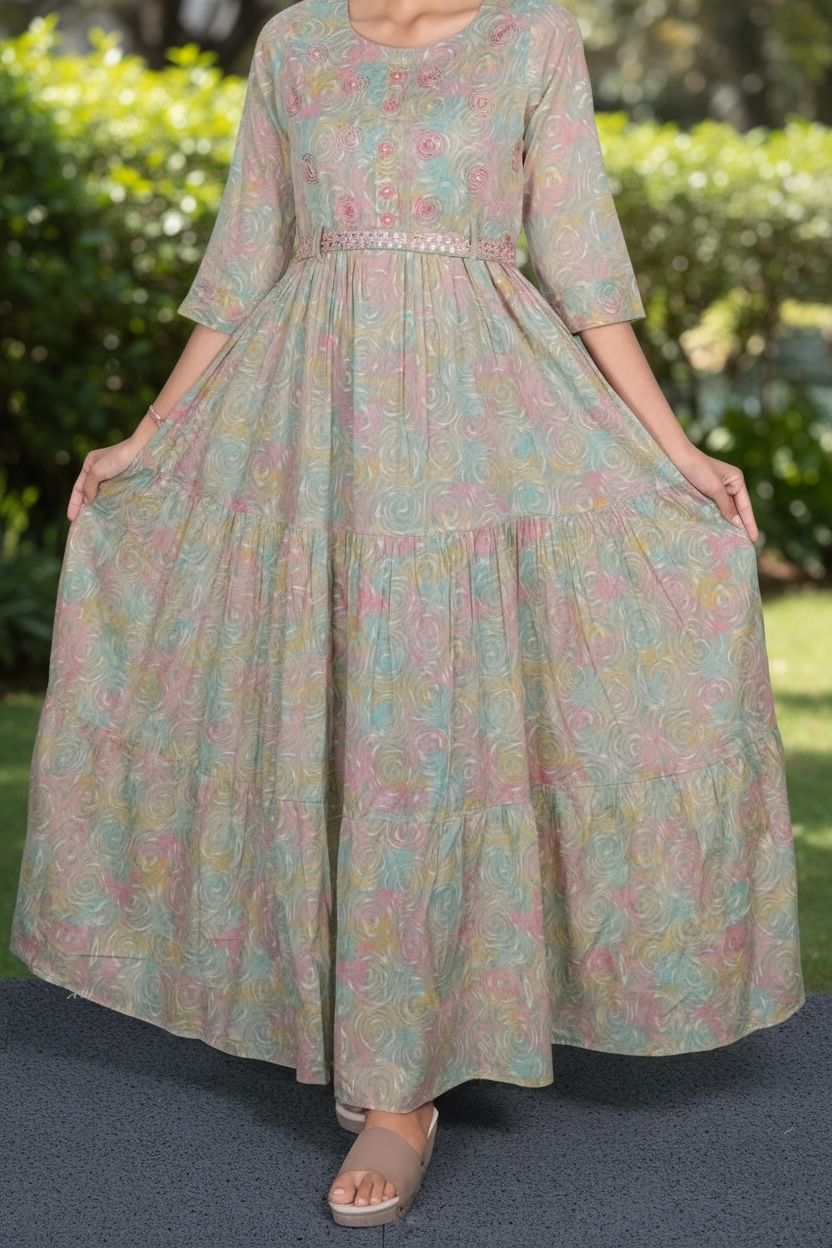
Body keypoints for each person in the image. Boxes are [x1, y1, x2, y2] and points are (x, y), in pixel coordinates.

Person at [10, 0, 805, 1228]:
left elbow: (582, 257)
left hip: (479, 414)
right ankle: (374, 1033)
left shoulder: (530, 36)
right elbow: (246, 255)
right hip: (310, 418)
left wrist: (675, 452)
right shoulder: (292, 43)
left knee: (426, 735)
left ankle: (400, 1089)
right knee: (342, 724)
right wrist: (152, 436)